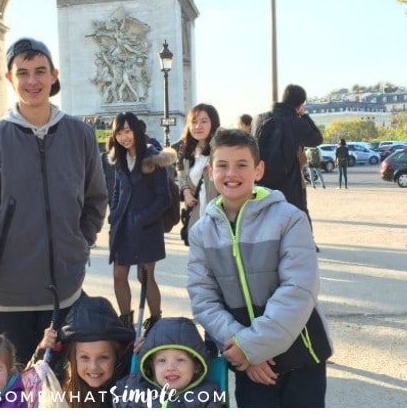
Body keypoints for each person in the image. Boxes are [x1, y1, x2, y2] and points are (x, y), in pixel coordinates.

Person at [0, 37, 108, 368]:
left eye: (40, 71)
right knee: (20, 392)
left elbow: (96, 199)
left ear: (54, 75)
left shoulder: (80, 135)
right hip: (10, 293)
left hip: (67, 289)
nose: (32, 81)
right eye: (22, 72)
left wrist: (78, 244)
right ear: (9, 79)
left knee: (65, 388)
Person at [187, 128, 332, 407]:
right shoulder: (201, 232)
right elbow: (204, 299)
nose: (232, 173)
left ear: (259, 169)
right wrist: (243, 350)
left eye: (242, 164)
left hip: (301, 354)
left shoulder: (289, 218)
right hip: (246, 363)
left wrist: (252, 346)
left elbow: (299, 288)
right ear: (210, 170)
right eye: (223, 165)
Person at [108, 112, 176, 334]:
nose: (124, 137)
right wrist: (115, 214)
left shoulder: (152, 158)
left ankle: (155, 318)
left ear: (137, 131)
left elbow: (163, 198)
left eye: (128, 131)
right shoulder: (119, 157)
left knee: (144, 276)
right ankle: (126, 321)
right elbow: (117, 191)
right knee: (119, 274)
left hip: (146, 228)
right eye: (119, 132)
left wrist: (141, 219)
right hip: (122, 227)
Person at [113, 316, 224, 408]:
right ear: (151, 366)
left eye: (180, 360)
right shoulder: (138, 389)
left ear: (197, 366)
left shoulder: (207, 395)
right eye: (162, 360)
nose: (170, 367)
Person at [49, 293, 134, 407]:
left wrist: (145, 359)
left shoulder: (131, 387)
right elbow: (30, 387)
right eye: (85, 357)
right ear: (73, 357)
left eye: (103, 357)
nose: (94, 367)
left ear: (117, 355)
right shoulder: (59, 380)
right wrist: (43, 354)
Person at [252, 84, 323, 217]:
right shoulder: (295, 123)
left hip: (260, 190)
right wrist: (304, 115)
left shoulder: (258, 119)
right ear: (299, 105)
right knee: (296, 231)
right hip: (289, 192)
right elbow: (317, 138)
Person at [177, 104, 220, 245]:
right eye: (194, 122)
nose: (198, 126)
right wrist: (186, 191)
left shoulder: (221, 150)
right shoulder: (188, 152)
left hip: (220, 220)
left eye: (204, 121)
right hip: (197, 218)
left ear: (213, 123)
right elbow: (182, 174)